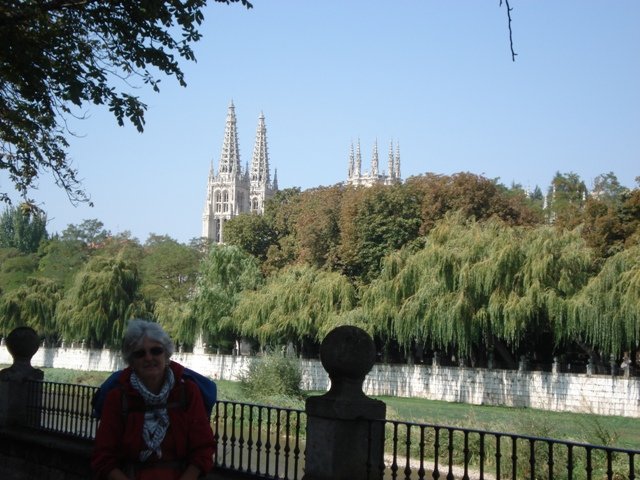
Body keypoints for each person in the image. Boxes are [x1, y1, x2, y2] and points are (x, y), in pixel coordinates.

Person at [91, 319, 215, 480]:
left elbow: (203, 449)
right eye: (140, 353)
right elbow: (103, 457)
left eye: (156, 351)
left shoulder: (187, 392)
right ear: (131, 361)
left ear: (167, 355)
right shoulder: (118, 397)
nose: (149, 358)